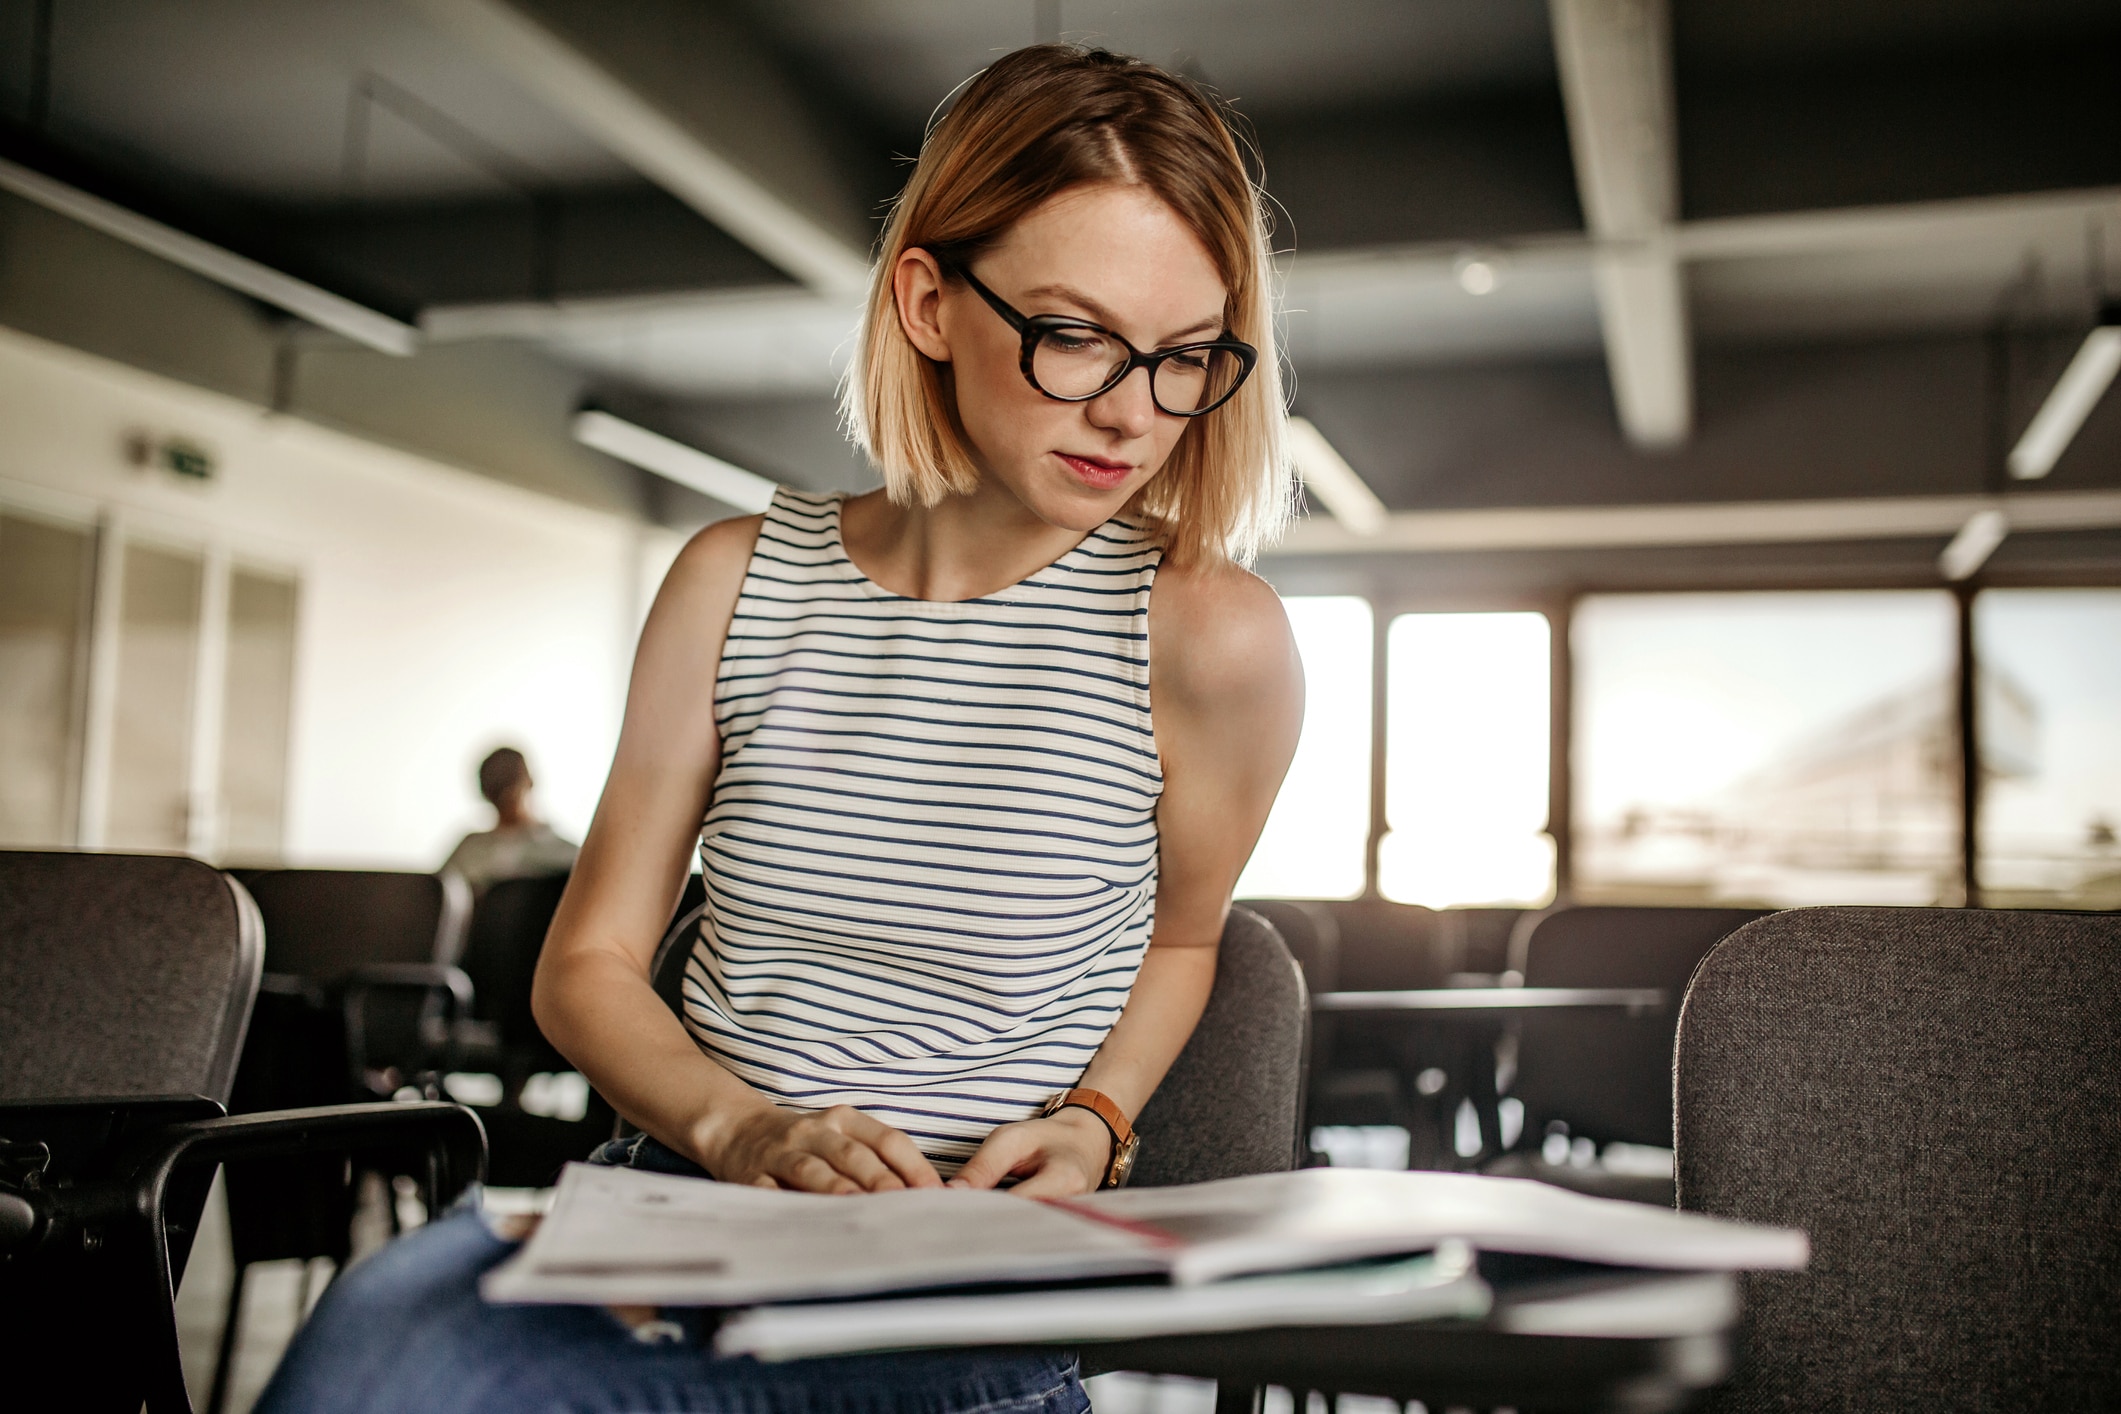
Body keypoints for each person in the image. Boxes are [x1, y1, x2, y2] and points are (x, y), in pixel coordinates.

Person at [258, 44, 1304, 1414]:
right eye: (1075, 335)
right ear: (929, 300)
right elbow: (590, 964)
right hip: (685, 1206)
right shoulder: (729, 581)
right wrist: (739, 1124)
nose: (1131, 409)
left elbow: (1182, 937)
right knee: (384, 1334)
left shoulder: (1208, 633)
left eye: (1182, 359)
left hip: (956, 1259)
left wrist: (1095, 1119)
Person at [441, 746, 578, 893]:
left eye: (511, 789)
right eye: (497, 791)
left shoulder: (566, 854)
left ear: (529, 782)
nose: (506, 800)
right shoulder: (468, 851)